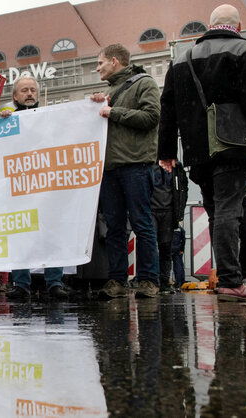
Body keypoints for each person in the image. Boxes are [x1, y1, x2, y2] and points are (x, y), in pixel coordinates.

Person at [158, 4, 246, 301]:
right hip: (233, 147)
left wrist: (167, 151)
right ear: (237, 27)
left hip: (197, 153)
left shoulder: (182, 59)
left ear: (210, 26)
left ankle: (243, 273)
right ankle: (230, 280)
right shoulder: (245, 52)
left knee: (230, 211)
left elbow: (168, 109)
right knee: (228, 209)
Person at [90, 44, 161, 299]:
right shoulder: (110, 91)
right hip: (109, 169)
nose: (97, 68)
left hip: (136, 165)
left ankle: (148, 280)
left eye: (99, 63)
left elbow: (151, 117)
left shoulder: (145, 83)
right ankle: (117, 280)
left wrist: (113, 111)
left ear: (113, 61)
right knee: (114, 228)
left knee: (142, 224)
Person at [1, 76, 70, 301]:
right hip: (19, 187)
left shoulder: (50, 118)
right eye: (24, 90)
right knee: (20, 234)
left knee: (51, 233)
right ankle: (21, 283)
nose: (29, 93)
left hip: (46, 185)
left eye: (32, 90)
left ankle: (54, 282)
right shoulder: (7, 120)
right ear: (15, 96)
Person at [151, 161, 188, 293]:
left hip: (169, 213)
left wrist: (179, 212)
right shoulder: (149, 164)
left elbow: (183, 189)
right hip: (151, 211)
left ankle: (164, 282)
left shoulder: (176, 167)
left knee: (166, 248)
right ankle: (150, 280)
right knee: (150, 245)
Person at [171, 225, 186, 290]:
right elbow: (183, 239)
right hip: (178, 249)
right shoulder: (180, 228)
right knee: (179, 265)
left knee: (167, 265)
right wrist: (182, 249)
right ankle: (180, 282)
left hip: (169, 248)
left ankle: (164, 282)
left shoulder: (167, 227)